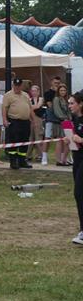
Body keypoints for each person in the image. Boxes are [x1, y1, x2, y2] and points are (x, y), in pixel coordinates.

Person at [2, 78, 33, 169]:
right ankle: (13, 162)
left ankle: (22, 161)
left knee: (24, 141)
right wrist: (4, 120)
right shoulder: (8, 95)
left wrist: (33, 119)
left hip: (25, 122)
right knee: (13, 141)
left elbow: (30, 107)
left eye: (19, 86)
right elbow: (4, 108)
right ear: (13, 85)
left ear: (21, 86)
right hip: (14, 121)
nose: (17, 87)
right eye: (16, 85)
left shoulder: (25, 95)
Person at [66, 91, 83, 245]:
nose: (70, 106)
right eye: (69, 103)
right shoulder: (74, 119)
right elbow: (74, 140)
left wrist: (81, 139)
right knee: (78, 195)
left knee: (79, 193)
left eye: (72, 103)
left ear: (81, 104)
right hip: (77, 159)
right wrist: (70, 140)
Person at [44, 76, 62, 165]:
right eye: (55, 83)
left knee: (60, 139)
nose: (57, 85)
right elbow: (50, 105)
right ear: (52, 82)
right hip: (51, 118)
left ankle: (60, 158)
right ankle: (44, 157)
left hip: (60, 119)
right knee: (47, 137)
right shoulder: (48, 93)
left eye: (58, 83)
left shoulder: (61, 93)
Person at [52, 84, 72, 166]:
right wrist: (65, 118)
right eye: (61, 90)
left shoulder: (66, 99)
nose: (63, 92)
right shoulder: (56, 99)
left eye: (64, 90)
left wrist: (70, 119)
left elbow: (69, 111)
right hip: (59, 123)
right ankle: (59, 160)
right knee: (60, 141)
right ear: (58, 91)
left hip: (67, 122)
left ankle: (64, 159)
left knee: (67, 141)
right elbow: (57, 112)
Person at [28, 84, 46, 163]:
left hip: (38, 119)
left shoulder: (41, 99)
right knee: (30, 138)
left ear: (38, 92)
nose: (34, 92)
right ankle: (28, 155)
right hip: (30, 119)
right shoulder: (29, 99)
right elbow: (29, 108)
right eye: (32, 91)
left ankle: (39, 155)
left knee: (38, 137)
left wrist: (32, 106)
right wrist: (32, 106)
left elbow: (37, 106)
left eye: (35, 91)